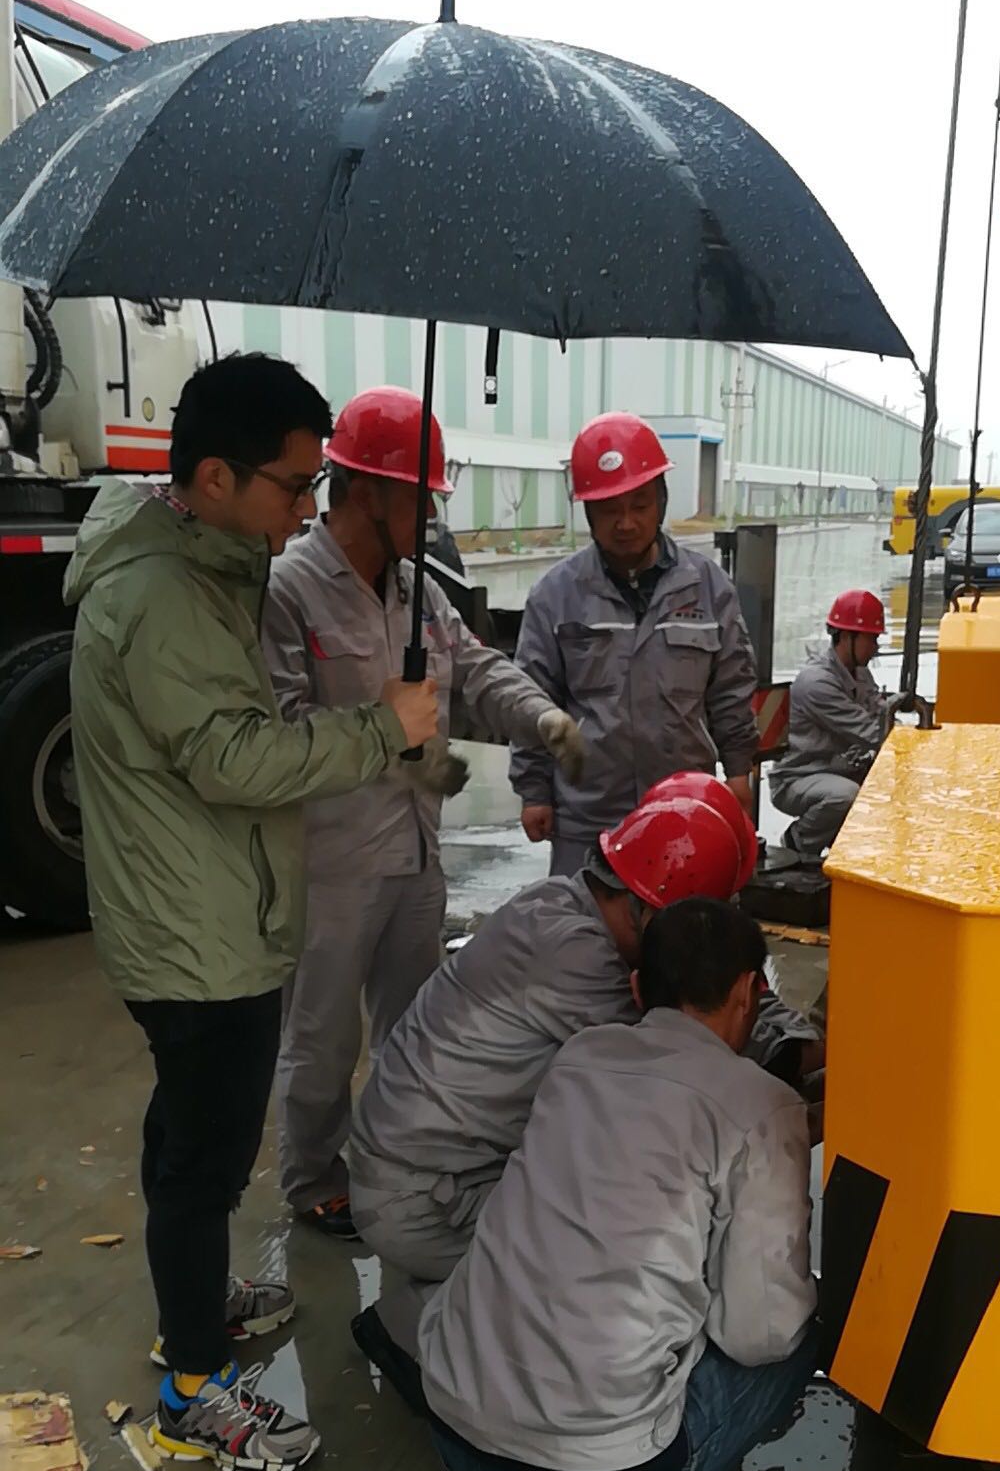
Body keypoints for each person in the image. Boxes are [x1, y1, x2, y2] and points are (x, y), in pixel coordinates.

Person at [66, 353, 439, 1471]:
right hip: (197, 935)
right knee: (207, 1158)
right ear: (216, 477)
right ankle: (192, 1391)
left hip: (205, 910)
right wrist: (381, 730)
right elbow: (232, 757)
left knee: (186, 1137)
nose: (308, 507)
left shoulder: (203, 564)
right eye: (295, 484)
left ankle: (191, 1302)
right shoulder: (163, 598)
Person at [348, 779, 820, 1386]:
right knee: (675, 1240)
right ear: (652, 915)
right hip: (427, 1203)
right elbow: (704, 1070)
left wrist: (794, 1039)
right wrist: (801, 1096)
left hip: (428, 1170)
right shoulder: (582, 963)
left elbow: (727, 995)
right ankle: (423, 1327)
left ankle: (435, 1311)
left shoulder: (559, 901)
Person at [419, 898, 818, 1471]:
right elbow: (760, 1334)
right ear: (748, 991)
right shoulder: (761, 1106)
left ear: (637, 988)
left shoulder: (580, 1056)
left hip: (455, 1434)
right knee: (801, 1323)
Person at [262, 387, 582, 1237]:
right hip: (331, 864)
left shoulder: (421, 593)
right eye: (420, 497)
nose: (432, 515)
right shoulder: (288, 591)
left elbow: (476, 669)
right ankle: (313, 1175)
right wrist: (388, 733)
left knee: (415, 1025)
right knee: (323, 1036)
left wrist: (542, 718)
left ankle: (398, 1154)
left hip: (414, 850)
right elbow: (280, 731)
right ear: (367, 493)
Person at [509, 412, 760, 877]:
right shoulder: (555, 596)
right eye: (609, 510)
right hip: (588, 818)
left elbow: (731, 688)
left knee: (683, 923)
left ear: (661, 501)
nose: (625, 523)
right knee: (583, 922)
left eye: (639, 505)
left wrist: (739, 772)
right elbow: (532, 700)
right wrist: (534, 791)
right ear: (589, 513)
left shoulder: (708, 588)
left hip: (683, 812)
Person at [769, 589, 888, 860]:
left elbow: (880, 713)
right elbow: (871, 732)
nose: (876, 648)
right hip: (797, 778)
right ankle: (798, 842)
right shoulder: (817, 683)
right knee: (846, 796)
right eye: (871, 639)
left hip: (835, 769)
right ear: (846, 636)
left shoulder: (858, 672)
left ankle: (843, 849)